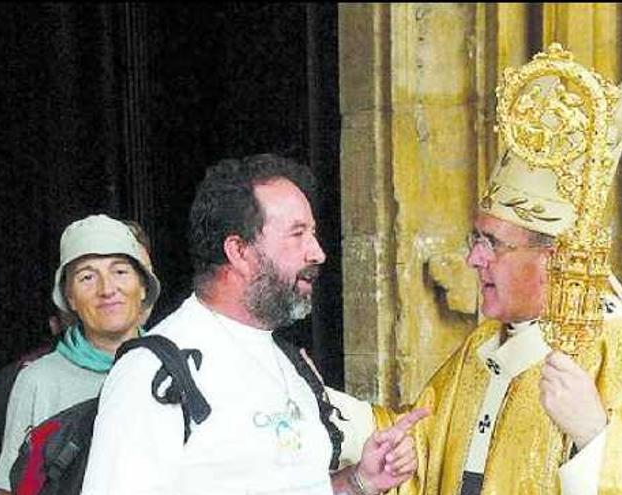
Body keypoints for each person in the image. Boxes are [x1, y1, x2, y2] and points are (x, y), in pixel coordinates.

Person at [333, 44, 622, 494]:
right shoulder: (485, 345)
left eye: (492, 244)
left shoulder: (621, 352)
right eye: (476, 239)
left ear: (552, 256)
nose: (474, 258)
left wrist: (594, 436)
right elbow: (422, 443)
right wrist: (312, 407)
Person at [81, 154, 427, 495]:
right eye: (297, 234)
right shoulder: (155, 370)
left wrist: (359, 481)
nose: (317, 252)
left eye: (313, 233)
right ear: (239, 251)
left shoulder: (288, 363)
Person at [0, 220, 154, 495]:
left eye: (121, 272)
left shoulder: (175, 368)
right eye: (87, 277)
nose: (107, 289)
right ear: (70, 298)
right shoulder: (38, 382)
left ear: (143, 286)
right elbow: (21, 489)